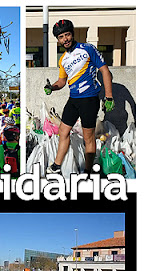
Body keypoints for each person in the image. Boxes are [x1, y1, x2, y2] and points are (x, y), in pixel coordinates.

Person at [45, 19, 115, 175]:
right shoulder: (63, 59)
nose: (65, 39)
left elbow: (105, 71)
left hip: (89, 99)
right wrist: (52, 87)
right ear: (58, 39)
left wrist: (109, 97)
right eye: (61, 37)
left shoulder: (87, 48)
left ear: (72, 34)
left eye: (67, 35)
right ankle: (57, 165)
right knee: (63, 131)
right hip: (73, 99)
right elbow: (62, 81)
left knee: (88, 137)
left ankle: (88, 171)